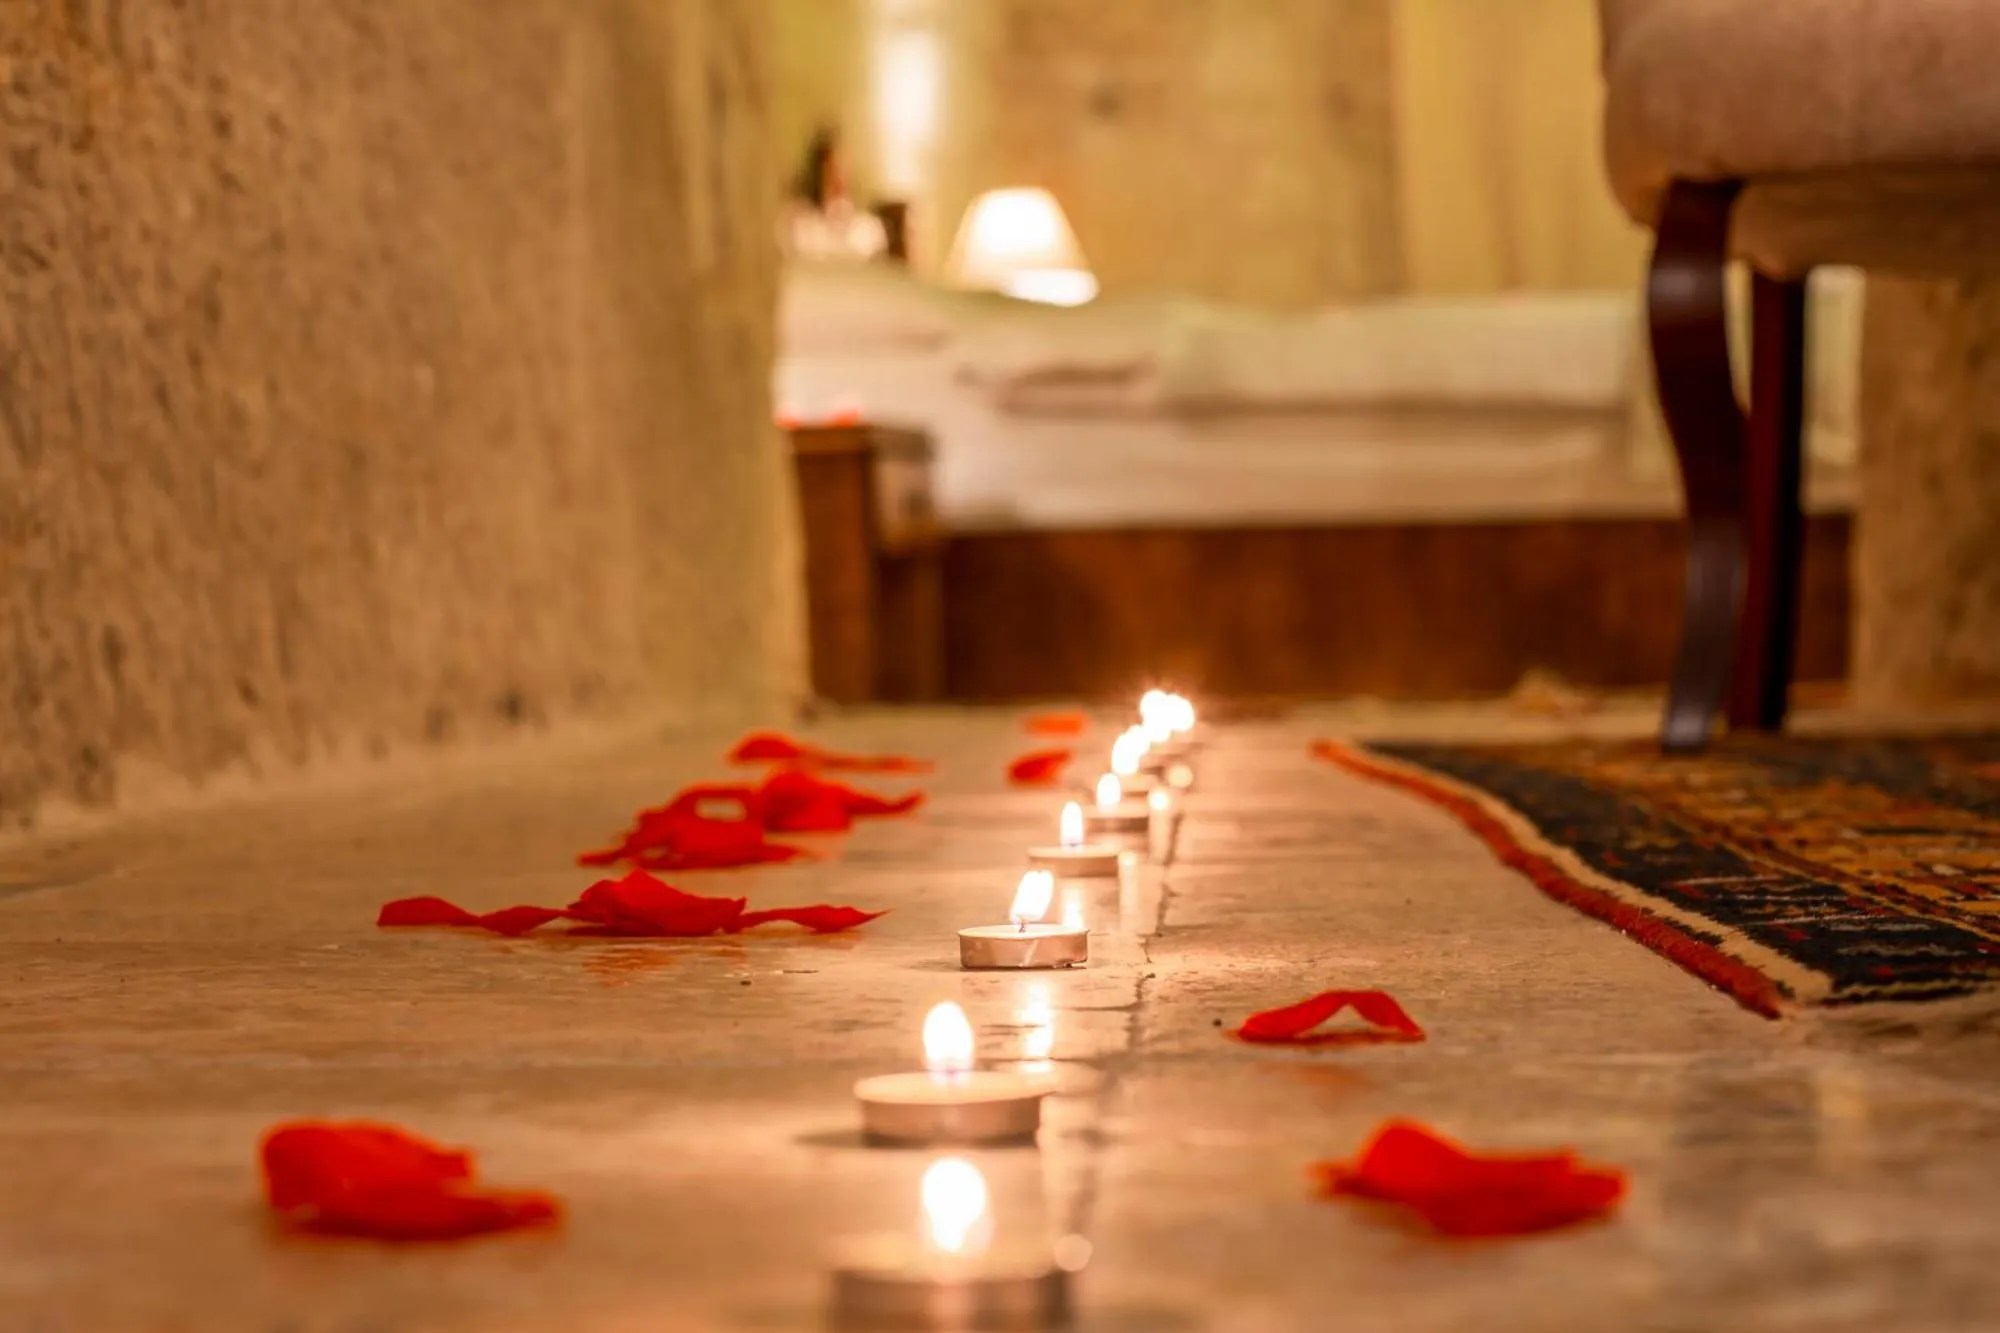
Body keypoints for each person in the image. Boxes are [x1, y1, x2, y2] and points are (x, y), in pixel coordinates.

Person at [782, 125, 887, 261]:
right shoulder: (801, 225)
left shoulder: (868, 231)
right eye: (831, 168)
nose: (838, 176)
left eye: (841, 167)